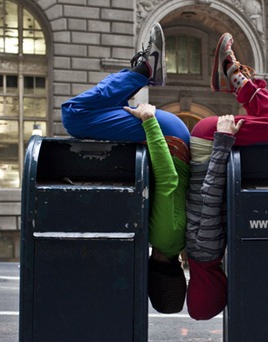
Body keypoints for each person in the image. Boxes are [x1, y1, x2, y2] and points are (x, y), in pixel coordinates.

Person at [61, 24, 190, 314]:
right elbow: (168, 180)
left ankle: (140, 73)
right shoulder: (165, 237)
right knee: (75, 116)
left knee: (103, 110)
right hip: (168, 138)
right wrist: (149, 122)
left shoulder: (174, 243)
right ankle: (144, 71)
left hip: (170, 139)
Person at [185, 33, 268, 321]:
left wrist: (224, 142)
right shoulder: (200, 257)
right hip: (208, 143)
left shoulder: (206, 251)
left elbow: (209, 195)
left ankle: (234, 75)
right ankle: (233, 80)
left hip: (210, 140)